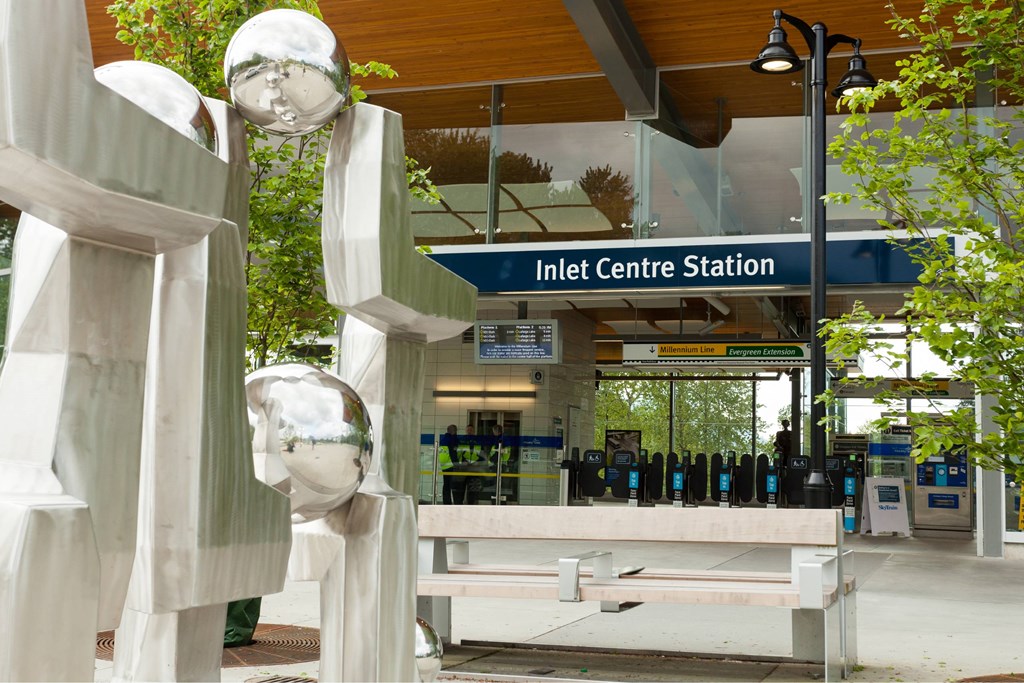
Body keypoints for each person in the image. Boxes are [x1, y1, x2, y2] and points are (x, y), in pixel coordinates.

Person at [461, 424, 483, 504]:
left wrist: (479, 461)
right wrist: (463, 461)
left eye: (471, 430)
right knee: (462, 485)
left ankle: (471, 503)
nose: (469, 431)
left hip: (475, 466)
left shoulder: (478, 440)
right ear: (465, 431)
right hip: (464, 466)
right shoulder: (462, 440)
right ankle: (461, 502)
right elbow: (459, 452)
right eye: (468, 430)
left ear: (474, 431)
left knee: (473, 486)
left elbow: (482, 452)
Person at [438, 424, 459, 504]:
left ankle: (446, 502)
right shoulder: (452, 439)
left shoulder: (443, 439)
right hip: (451, 464)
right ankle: (455, 502)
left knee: (446, 485)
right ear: (453, 431)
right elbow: (454, 453)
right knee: (454, 484)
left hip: (445, 465)